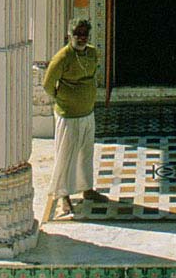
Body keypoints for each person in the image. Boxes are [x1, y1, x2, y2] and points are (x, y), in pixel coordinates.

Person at [43, 18, 109, 215]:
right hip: (68, 115)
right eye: (77, 34)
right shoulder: (62, 58)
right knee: (67, 155)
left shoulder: (92, 53)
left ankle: (87, 188)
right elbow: (48, 85)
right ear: (70, 36)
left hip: (87, 112)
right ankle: (64, 196)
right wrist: (63, 98)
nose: (81, 38)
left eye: (84, 34)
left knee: (86, 152)